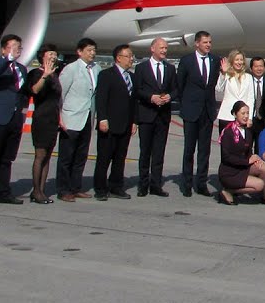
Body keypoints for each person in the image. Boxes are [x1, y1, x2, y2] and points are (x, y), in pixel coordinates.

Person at [0, 34, 30, 207]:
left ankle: (4, 191)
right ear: (4, 49)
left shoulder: (22, 69)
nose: (17, 50)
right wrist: (8, 59)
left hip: (15, 118)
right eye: (13, 46)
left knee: (7, 158)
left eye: (19, 47)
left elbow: (23, 92)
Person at [177, 30, 219, 197]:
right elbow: (180, 86)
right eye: (205, 42)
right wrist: (186, 105)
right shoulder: (187, 61)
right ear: (197, 43)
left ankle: (201, 183)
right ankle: (186, 184)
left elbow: (214, 83)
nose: (208, 45)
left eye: (209, 42)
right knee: (189, 150)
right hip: (191, 111)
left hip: (207, 112)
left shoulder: (215, 61)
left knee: (204, 150)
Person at [93, 43, 137, 200]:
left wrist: (134, 122)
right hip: (109, 124)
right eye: (128, 56)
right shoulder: (107, 75)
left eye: (132, 56)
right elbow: (101, 99)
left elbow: (133, 103)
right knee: (104, 158)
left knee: (120, 158)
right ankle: (100, 188)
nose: (131, 59)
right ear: (118, 58)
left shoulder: (132, 77)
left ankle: (116, 186)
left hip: (125, 124)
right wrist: (102, 118)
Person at [134, 38, 177, 197]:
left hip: (162, 117)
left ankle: (156, 185)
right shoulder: (141, 68)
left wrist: (169, 97)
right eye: (161, 48)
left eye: (166, 48)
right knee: (145, 152)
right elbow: (137, 90)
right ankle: (143, 184)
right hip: (147, 114)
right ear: (152, 49)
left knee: (159, 153)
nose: (164, 51)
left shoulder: (171, 69)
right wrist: (151, 97)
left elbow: (175, 89)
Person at [57, 38, 98, 203]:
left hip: (87, 117)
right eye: (89, 50)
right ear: (79, 52)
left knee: (81, 155)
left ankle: (76, 187)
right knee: (66, 156)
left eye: (94, 50)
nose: (92, 53)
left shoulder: (96, 69)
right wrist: (59, 116)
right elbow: (61, 94)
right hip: (71, 118)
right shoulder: (70, 69)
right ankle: (63, 189)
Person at [25, 44, 61, 204]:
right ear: (42, 57)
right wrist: (45, 75)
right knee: (40, 155)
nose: (53, 56)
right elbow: (34, 90)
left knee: (47, 156)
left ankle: (41, 190)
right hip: (41, 119)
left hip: (53, 119)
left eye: (55, 54)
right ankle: (36, 190)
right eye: (50, 54)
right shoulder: (36, 73)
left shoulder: (55, 74)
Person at [216, 102, 265, 205]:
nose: (246, 116)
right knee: (259, 184)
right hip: (230, 171)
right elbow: (226, 157)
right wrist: (247, 161)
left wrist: (253, 157)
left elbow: (248, 152)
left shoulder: (247, 131)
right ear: (234, 114)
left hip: (242, 167)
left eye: (247, 113)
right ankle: (228, 191)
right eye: (243, 113)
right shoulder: (228, 132)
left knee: (262, 167)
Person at [214, 49, 253, 135]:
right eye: (237, 60)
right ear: (232, 61)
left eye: (241, 60)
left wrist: (249, 117)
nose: (239, 62)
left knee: (242, 146)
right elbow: (219, 88)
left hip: (243, 117)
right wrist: (223, 73)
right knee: (226, 145)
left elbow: (250, 98)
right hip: (227, 116)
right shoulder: (227, 75)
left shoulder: (248, 77)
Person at [246, 56, 265, 146]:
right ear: (251, 68)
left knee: (261, 147)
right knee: (246, 146)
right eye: (256, 66)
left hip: (263, 120)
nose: (259, 69)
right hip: (249, 118)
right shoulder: (246, 81)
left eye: (261, 66)